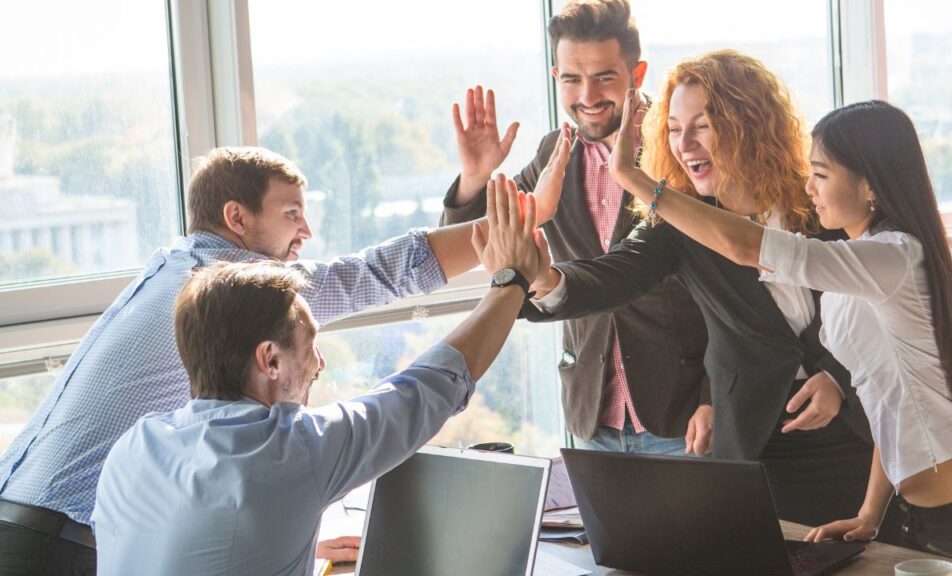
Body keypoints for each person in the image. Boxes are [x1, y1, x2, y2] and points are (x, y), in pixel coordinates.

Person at [0, 146, 485, 575]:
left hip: (22, 520)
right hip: (56, 546)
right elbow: (377, 275)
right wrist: (507, 233)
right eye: (292, 213)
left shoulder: (175, 265)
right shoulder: (222, 290)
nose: (306, 231)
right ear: (237, 217)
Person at [605, 83, 952, 569]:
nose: (808, 187)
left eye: (821, 174)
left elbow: (747, 247)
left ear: (870, 185)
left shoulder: (895, 257)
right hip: (919, 514)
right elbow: (886, 400)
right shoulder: (860, 264)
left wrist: (636, 181)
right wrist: (869, 513)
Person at [91, 177, 548, 575]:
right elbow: (426, 389)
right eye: (309, 345)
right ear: (270, 360)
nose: (319, 364)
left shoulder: (134, 447)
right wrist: (512, 281)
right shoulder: (289, 449)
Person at [524, 51, 879, 529]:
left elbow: (879, 299)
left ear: (749, 124)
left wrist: (836, 374)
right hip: (755, 445)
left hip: (857, 435)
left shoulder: (820, 199)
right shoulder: (678, 221)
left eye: (703, 126)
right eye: (673, 128)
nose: (685, 144)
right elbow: (610, 276)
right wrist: (544, 280)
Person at [443, 0, 710, 456]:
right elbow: (476, 246)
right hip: (593, 414)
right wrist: (474, 178)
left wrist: (712, 395)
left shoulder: (679, 150)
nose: (587, 95)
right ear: (556, 79)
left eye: (605, 77)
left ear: (638, 74)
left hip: (681, 416)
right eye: (572, 79)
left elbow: (733, 289)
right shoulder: (554, 153)